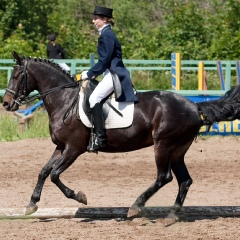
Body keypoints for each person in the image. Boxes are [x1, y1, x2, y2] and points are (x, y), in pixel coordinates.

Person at [80, 6, 138, 152]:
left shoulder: (107, 35)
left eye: (96, 18)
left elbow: (104, 61)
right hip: (110, 72)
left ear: (105, 19)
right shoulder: (105, 34)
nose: (93, 21)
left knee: (93, 99)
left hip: (114, 74)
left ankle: (100, 138)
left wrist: (89, 73)